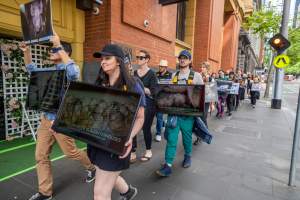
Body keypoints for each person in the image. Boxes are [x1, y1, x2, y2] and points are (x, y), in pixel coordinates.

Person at [20, 32, 96, 200]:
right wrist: (26, 51)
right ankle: (45, 192)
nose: (50, 52)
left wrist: (58, 44)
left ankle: (92, 167)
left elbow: (74, 71)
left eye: (53, 50)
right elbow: (31, 70)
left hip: (62, 120)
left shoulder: (69, 70)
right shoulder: (49, 71)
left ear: (64, 52)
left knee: (71, 153)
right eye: (52, 50)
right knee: (40, 156)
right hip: (46, 119)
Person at [90, 44, 145, 200]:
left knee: (100, 192)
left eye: (108, 58)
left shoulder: (133, 86)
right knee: (107, 176)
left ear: (119, 61)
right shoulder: (100, 83)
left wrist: (130, 137)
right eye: (102, 59)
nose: (103, 62)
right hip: (97, 141)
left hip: (116, 144)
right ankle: (128, 192)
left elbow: (141, 117)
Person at [156, 50, 203, 177]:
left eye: (185, 58)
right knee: (171, 139)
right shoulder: (173, 75)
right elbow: (169, 93)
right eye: (181, 58)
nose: (182, 60)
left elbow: (202, 95)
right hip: (174, 114)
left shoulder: (196, 76)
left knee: (187, 139)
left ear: (189, 61)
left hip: (188, 115)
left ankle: (187, 156)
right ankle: (168, 165)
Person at [132, 50, 158, 162]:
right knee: (132, 127)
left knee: (146, 128)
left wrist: (141, 87)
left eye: (141, 57)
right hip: (136, 103)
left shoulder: (152, 74)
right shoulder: (134, 73)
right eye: (137, 57)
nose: (138, 59)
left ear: (147, 59)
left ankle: (148, 150)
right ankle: (132, 151)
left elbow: (153, 91)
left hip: (148, 103)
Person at [155, 59, 172, 142]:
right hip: (156, 97)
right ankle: (163, 124)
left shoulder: (170, 75)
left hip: (164, 99)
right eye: (159, 66)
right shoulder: (156, 74)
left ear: (165, 67)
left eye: (161, 66)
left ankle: (158, 133)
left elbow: (169, 86)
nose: (160, 68)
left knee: (159, 116)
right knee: (157, 116)